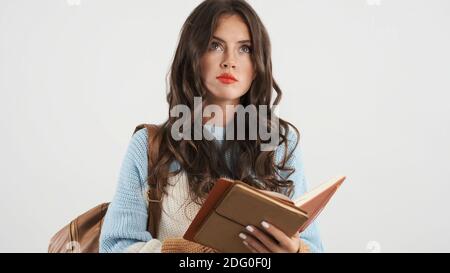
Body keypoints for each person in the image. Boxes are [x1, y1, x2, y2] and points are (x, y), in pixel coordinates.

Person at [99, 0, 324, 253]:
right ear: (193, 55)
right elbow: (115, 246)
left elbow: (314, 247)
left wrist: (294, 251)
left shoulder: (281, 143)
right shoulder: (150, 146)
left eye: (245, 49)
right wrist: (187, 253)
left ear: (257, 64)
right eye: (215, 45)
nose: (230, 61)